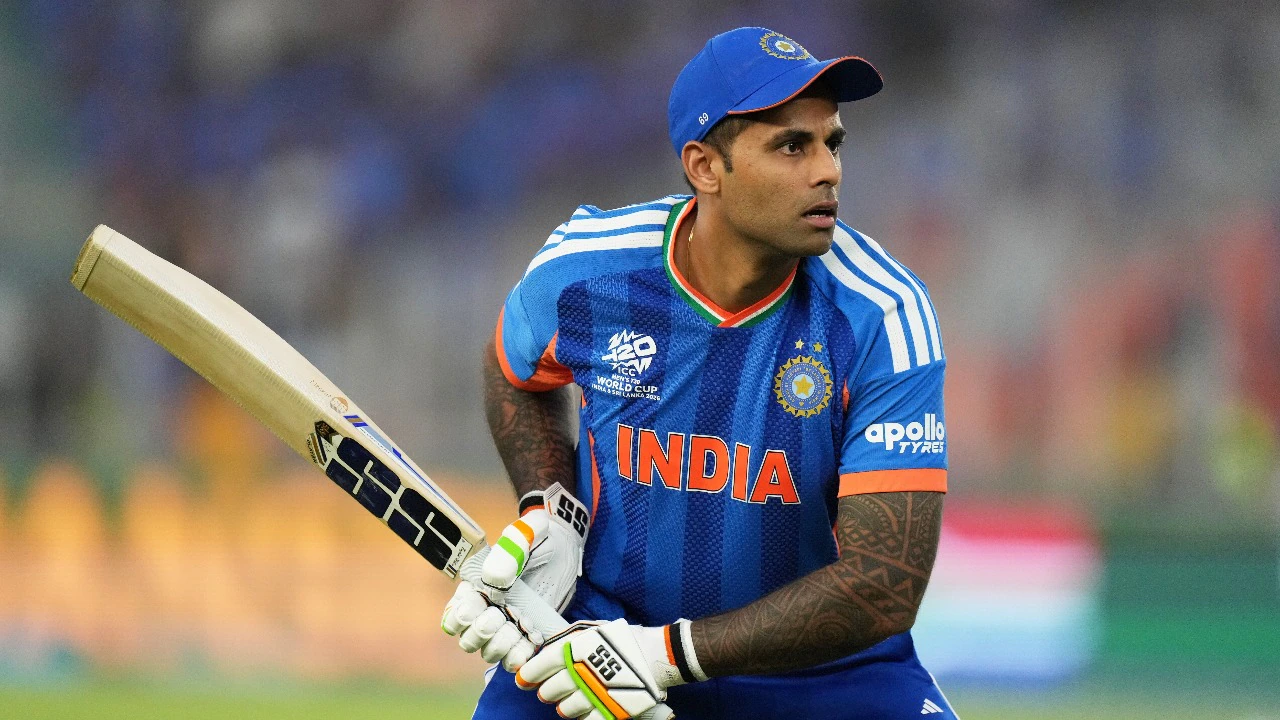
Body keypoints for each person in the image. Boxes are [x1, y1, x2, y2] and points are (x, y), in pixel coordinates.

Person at [441, 26, 957, 720]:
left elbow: (884, 583)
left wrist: (662, 656)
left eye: (832, 143)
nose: (828, 170)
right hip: (598, 635)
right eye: (791, 146)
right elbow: (512, 372)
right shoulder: (586, 270)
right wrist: (553, 512)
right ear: (705, 167)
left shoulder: (883, 314)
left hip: (818, 671)